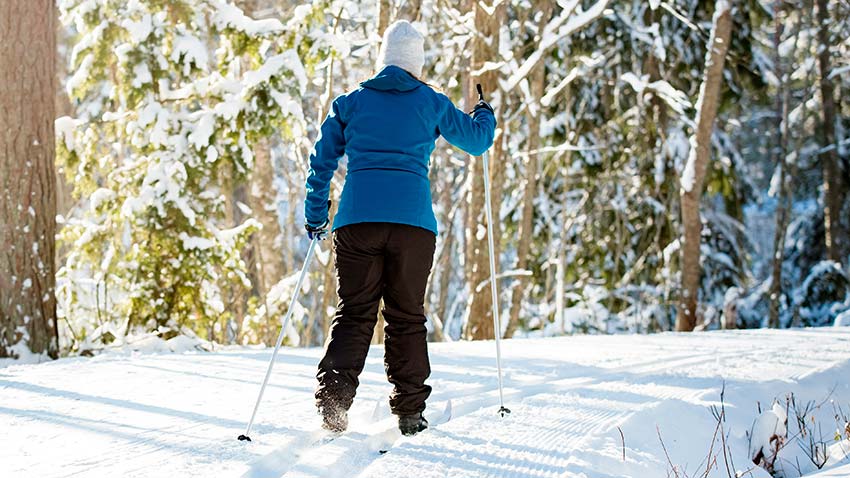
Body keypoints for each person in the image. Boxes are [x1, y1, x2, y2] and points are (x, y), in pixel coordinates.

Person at [303, 19, 496, 436]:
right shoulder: (431, 101)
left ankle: (334, 405)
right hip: (413, 226)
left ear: (384, 60)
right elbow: (478, 141)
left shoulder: (351, 102)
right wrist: (484, 114)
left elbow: (321, 162)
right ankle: (410, 412)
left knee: (355, 313)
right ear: (416, 64)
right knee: (406, 316)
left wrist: (316, 213)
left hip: (358, 222)